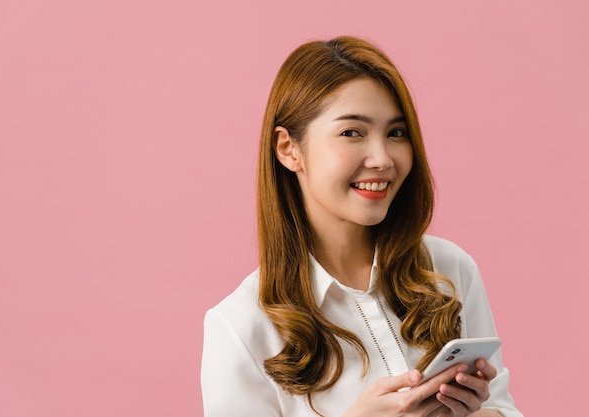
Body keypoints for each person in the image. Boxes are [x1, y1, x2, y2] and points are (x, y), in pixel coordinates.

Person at [201, 36, 523, 417]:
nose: (383, 159)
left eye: (396, 133)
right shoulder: (241, 327)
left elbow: (504, 407)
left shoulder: (450, 270)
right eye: (352, 132)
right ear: (288, 149)